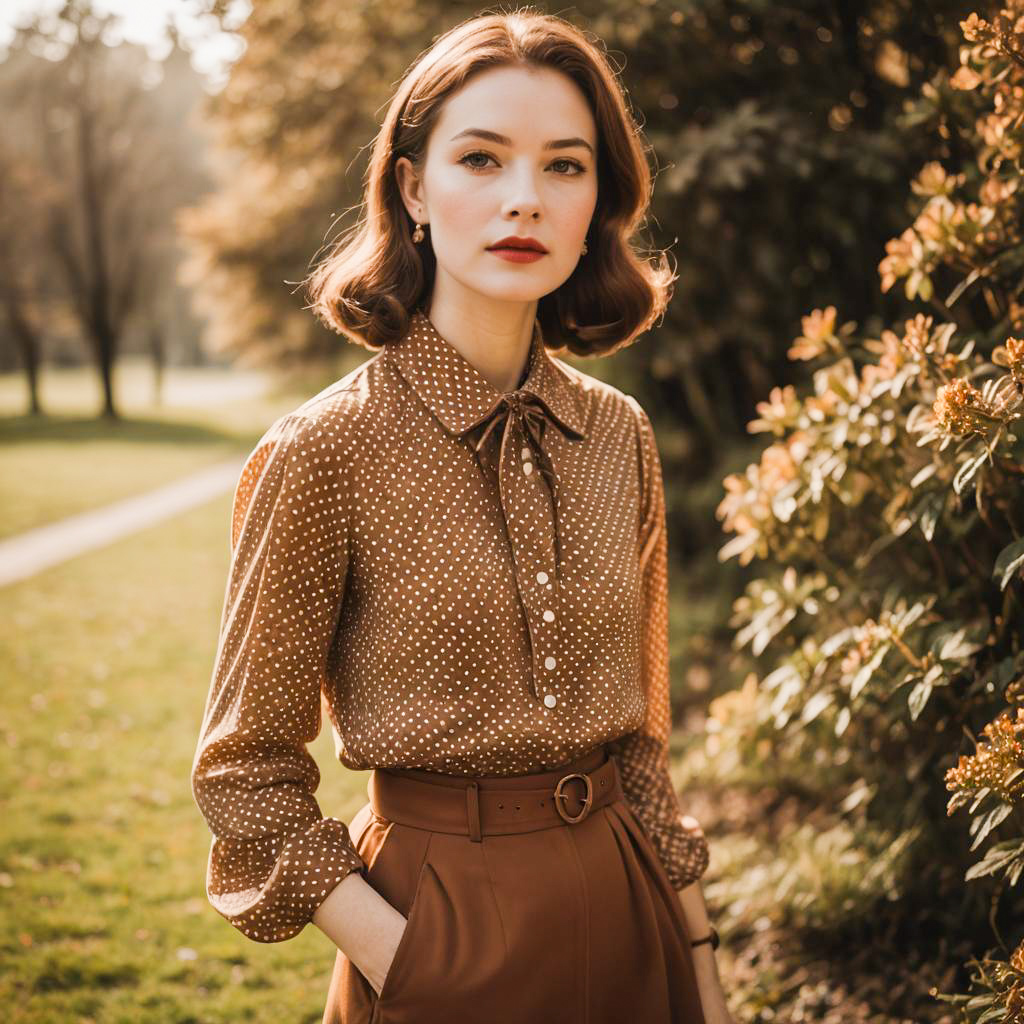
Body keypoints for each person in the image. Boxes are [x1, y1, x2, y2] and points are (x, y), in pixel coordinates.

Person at [190, 8, 732, 1023]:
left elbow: (642, 752)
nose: (524, 198)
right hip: (437, 932)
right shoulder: (325, 450)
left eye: (564, 167)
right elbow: (245, 773)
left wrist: (698, 956)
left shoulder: (621, 435)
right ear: (412, 188)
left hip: (634, 920)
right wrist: (412, 958)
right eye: (481, 158)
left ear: (596, 203)